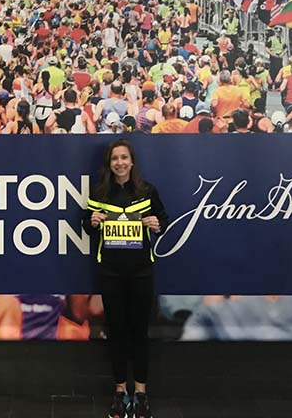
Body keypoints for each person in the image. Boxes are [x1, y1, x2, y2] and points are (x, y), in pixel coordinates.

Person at [83, 139, 169, 418]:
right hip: (111, 272)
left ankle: (141, 393)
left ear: (132, 162)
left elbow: (164, 221)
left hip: (142, 271)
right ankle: (120, 392)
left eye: (124, 158)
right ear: (109, 164)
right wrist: (91, 221)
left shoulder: (146, 191)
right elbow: (86, 223)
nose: (119, 163)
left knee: (139, 334)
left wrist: (157, 224)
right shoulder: (99, 192)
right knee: (117, 333)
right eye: (114, 159)